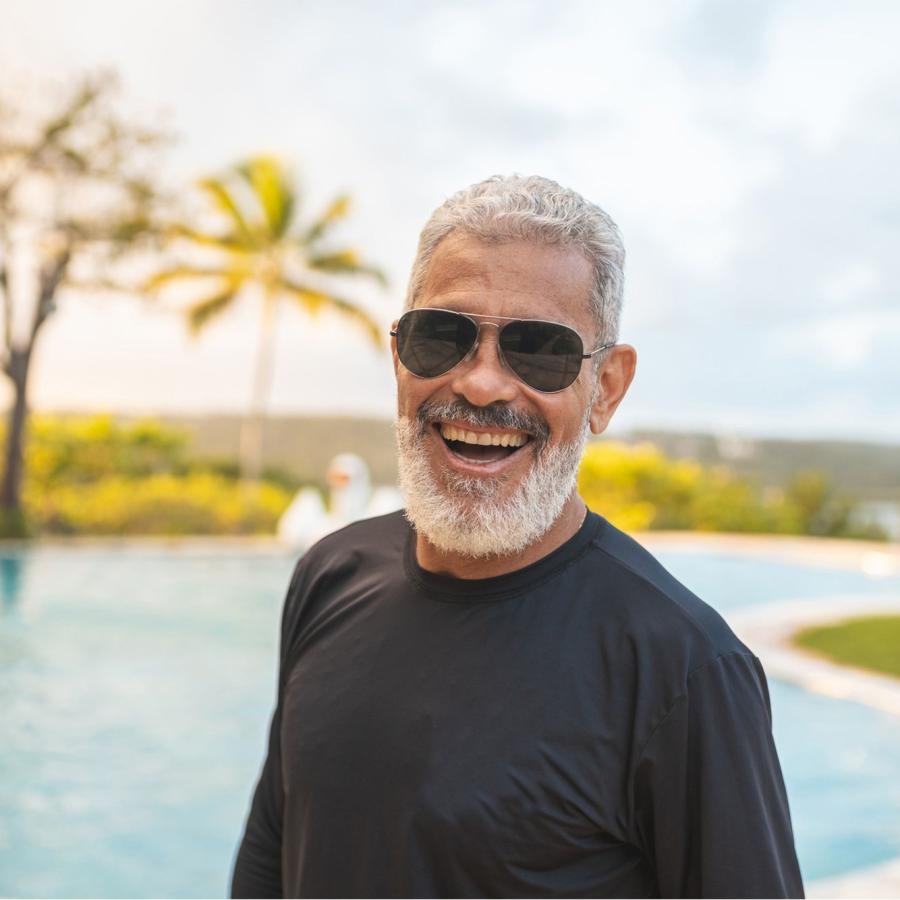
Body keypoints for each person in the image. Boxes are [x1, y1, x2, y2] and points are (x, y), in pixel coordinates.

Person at [231, 175, 804, 899]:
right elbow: (271, 849)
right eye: (443, 336)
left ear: (607, 390)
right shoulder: (331, 573)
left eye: (540, 351)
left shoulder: (684, 670)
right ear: (400, 357)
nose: (480, 385)